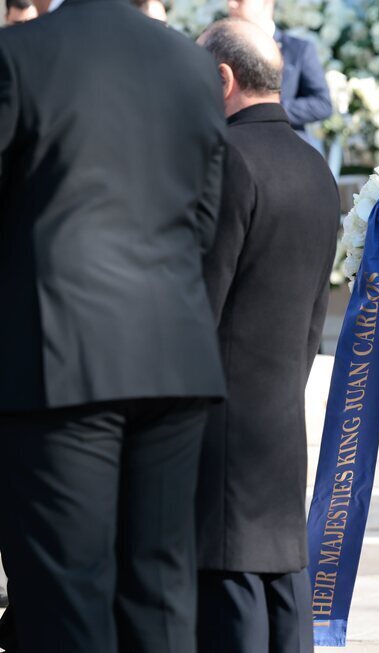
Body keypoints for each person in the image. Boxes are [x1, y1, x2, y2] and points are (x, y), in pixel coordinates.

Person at [0, 0, 227, 649]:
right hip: (175, 353)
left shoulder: (19, 55)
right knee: (158, 590)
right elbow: (205, 224)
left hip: (59, 356)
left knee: (68, 590)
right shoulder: (192, 63)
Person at [194, 19, 340, 653]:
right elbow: (313, 315)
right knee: (282, 581)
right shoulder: (315, 167)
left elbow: (200, 300)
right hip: (281, 404)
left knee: (231, 586)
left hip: (218, 415)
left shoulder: (225, 160)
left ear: (222, 78)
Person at [227, 0, 333, 152]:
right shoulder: (223, 48)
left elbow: (322, 104)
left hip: (287, 148)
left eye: (240, 0)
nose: (231, 4)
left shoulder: (298, 49)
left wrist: (267, 110)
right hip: (235, 147)